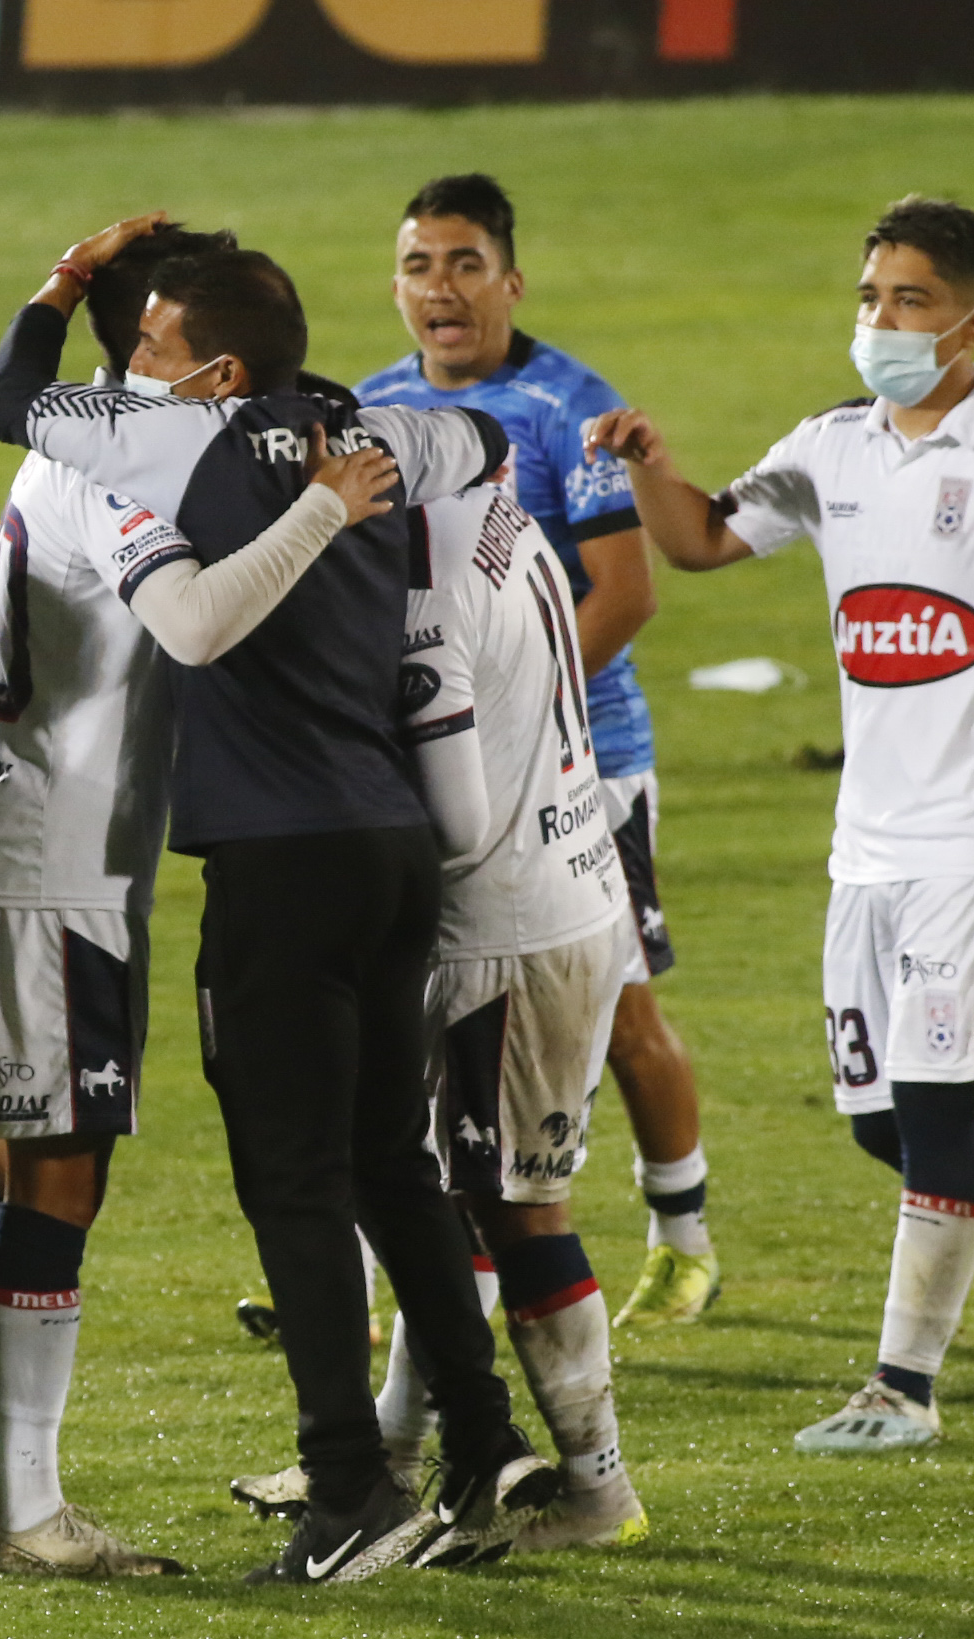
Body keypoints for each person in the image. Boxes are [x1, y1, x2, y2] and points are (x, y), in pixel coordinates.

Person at [0, 219, 561, 1582]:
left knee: (294, 1185)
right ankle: (479, 1455)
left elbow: (8, 403)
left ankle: (350, 1492)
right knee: (387, 1168)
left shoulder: (166, 442)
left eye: (151, 347)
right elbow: (482, 447)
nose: (129, 368)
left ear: (218, 368)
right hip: (390, 845)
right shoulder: (377, 429)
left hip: (280, 862)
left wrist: (57, 289)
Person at [585, 197, 974, 1452]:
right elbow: (700, 541)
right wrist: (648, 462)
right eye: (869, 296)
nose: (880, 322)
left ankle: (900, 1388)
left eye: (908, 301)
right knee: (881, 1119)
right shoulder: (831, 446)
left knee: (927, 1105)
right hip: (869, 842)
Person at [0, 223, 403, 1578]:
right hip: (57, 867)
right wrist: (327, 509)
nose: (136, 366)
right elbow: (190, 627)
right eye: (140, 343)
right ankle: (28, 1512)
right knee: (61, 1172)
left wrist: (57, 287)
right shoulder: (122, 468)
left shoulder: (71, 437)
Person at [234, 478, 651, 1552]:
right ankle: (409, 1460)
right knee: (454, 1197)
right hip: (569, 881)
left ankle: (597, 1497)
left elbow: (456, 824)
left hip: (504, 931)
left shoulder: (420, 589)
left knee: (517, 1207)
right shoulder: (495, 517)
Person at [357, 175, 722, 1329]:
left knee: (616, 1013)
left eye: (465, 264)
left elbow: (625, 594)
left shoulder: (569, 408)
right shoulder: (366, 410)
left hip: (583, 767)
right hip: (435, 769)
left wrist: (521, 716)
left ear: (510, 282)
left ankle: (681, 1233)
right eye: (419, 266)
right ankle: (390, 1270)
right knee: (414, 1012)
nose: (441, 289)